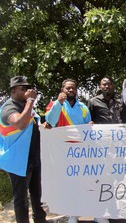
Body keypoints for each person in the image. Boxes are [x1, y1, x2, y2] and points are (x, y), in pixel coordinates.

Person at [44, 79, 105, 223]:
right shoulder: (54, 105)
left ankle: (96, 213)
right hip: (63, 152)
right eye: (68, 88)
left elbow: (87, 130)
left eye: (73, 88)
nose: (71, 90)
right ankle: (73, 214)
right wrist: (58, 103)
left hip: (81, 152)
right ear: (62, 89)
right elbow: (50, 122)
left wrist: (90, 126)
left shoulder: (83, 107)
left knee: (87, 183)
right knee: (70, 185)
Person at [0, 76, 49, 223]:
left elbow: (31, 124)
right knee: (21, 199)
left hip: (32, 157)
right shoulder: (9, 108)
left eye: (29, 88)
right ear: (14, 91)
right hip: (18, 160)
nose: (28, 91)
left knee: (36, 194)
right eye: (24, 89)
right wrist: (30, 101)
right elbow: (20, 124)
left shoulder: (25, 106)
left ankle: (40, 219)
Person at [88, 77, 126, 223]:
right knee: (103, 181)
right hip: (101, 150)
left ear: (113, 86)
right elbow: (88, 123)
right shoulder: (93, 102)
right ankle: (101, 213)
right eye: (104, 84)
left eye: (110, 84)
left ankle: (118, 213)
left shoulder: (120, 102)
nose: (107, 86)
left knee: (119, 180)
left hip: (118, 149)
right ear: (100, 86)